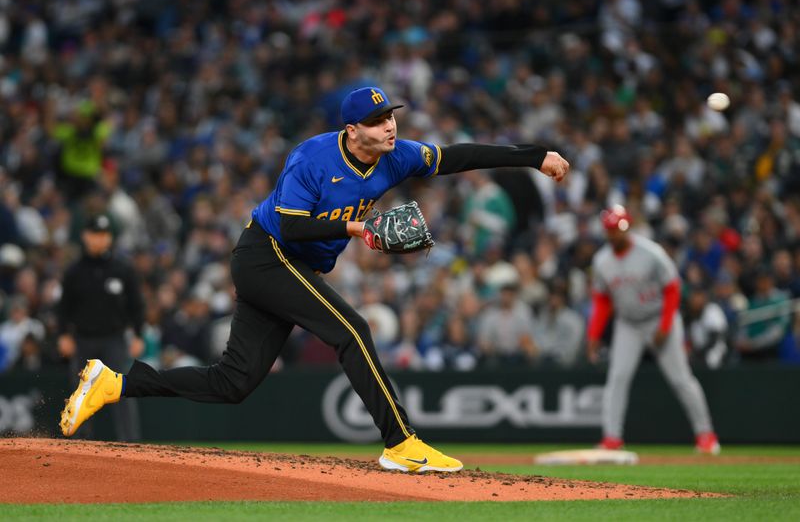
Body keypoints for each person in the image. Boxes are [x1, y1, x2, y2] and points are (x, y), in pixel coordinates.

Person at [61, 86, 569, 472]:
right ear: (352, 130)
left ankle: (115, 383)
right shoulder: (312, 158)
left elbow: (459, 156)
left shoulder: (397, 156)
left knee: (232, 382)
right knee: (352, 331)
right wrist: (358, 226)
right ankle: (400, 443)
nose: (389, 126)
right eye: (376, 120)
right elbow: (290, 224)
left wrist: (532, 156)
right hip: (267, 254)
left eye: (391, 115)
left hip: (292, 267)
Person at [587, 205, 720, 454]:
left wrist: (666, 325)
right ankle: (612, 439)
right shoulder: (602, 261)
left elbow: (672, 289)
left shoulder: (651, 253)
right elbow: (602, 301)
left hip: (659, 318)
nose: (616, 233)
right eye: (611, 230)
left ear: (628, 227)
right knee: (617, 379)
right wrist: (593, 336)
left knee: (680, 379)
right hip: (628, 324)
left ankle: (707, 436)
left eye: (619, 228)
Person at [57, 214, 144, 441]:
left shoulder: (122, 269)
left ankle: (130, 442)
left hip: (114, 339)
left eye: (104, 235)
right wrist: (63, 334)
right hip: (83, 339)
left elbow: (136, 305)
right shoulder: (74, 271)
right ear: (85, 236)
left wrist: (138, 334)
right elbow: (63, 307)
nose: (99, 239)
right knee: (81, 394)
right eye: (95, 234)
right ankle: (79, 445)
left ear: (110, 238)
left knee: (121, 391)